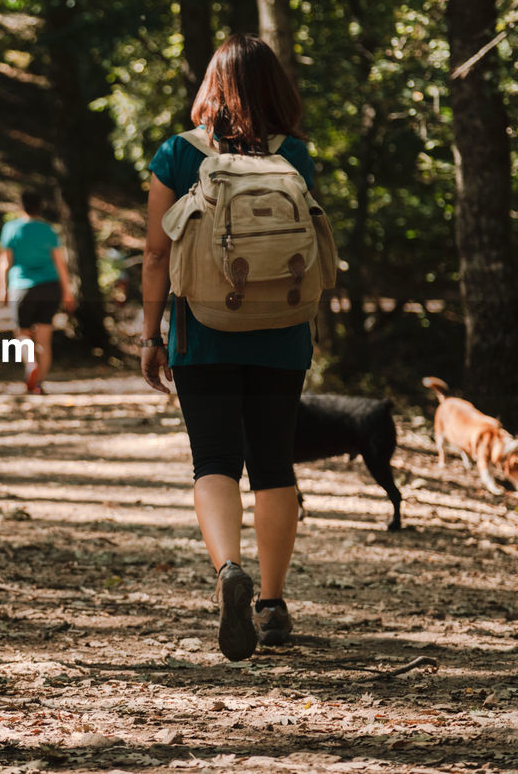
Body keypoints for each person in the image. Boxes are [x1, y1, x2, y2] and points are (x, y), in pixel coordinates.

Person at [139, 34, 314, 661]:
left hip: (201, 329)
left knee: (213, 459)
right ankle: (271, 603)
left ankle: (227, 572)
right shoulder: (294, 154)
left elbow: (157, 252)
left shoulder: (177, 154)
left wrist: (151, 333)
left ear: (212, 86)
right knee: (274, 464)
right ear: (276, 88)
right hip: (284, 331)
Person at [0, 192, 76, 394]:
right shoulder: (48, 230)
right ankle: (39, 384)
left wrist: (2, 288)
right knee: (44, 338)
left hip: (21, 287)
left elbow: (5, 262)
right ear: (40, 206)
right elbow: (60, 263)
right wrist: (67, 292)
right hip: (50, 286)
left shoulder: (12, 228)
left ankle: (31, 363)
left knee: (22, 333)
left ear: (20, 206)